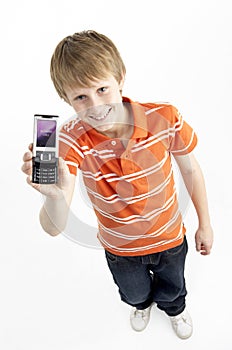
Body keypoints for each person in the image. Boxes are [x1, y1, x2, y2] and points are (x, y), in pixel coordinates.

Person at [22, 30, 213, 339]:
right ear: (65, 98)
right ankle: (142, 305)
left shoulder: (164, 116)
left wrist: (204, 223)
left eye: (102, 89)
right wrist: (54, 196)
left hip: (170, 241)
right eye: (80, 97)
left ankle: (175, 309)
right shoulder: (68, 139)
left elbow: (191, 171)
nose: (96, 107)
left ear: (120, 77)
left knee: (174, 289)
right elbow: (53, 227)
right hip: (121, 251)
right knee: (135, 294)